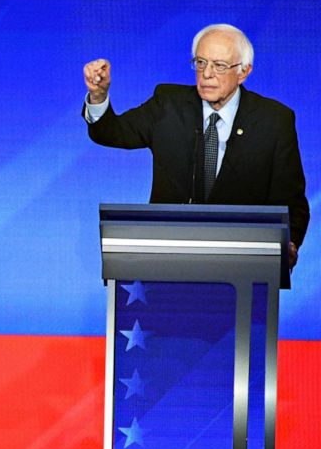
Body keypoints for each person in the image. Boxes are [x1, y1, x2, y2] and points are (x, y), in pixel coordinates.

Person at [82, 24, 309, 267]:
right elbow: (110, 132)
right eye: (200, 63)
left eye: (219, 66)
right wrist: (98, 96)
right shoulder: (167, 104)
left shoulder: (273, 120)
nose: (207, 74)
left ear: (244, 72)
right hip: (168, 258)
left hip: (241, 265)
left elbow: (291, 201)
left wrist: (289, 243)